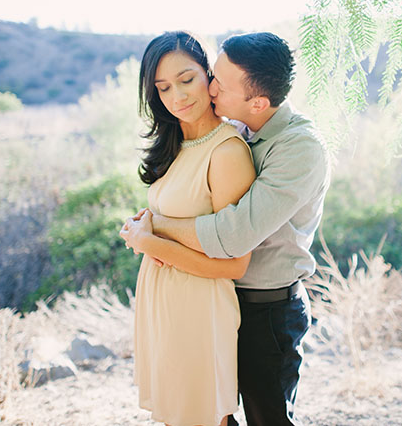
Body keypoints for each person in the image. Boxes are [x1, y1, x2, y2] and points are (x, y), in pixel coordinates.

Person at [121, 32, 331, 426]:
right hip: (222, 299)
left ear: (258, 102)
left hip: (268, 307)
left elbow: (233, 236)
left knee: (268, 419)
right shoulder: (244, 130)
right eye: (212, 74)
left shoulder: (297, 148)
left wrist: (155, 231)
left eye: (214, 81)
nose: (208, 88)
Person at [122, 31, 256, 426]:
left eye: (187, 80)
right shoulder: (177, 144)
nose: (177, 97)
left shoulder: (227, 152)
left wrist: (150, 241)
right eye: (163, 88)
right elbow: (180, 218)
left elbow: (234, 265)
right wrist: (144, 227)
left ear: (208, 75)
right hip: (165, 307)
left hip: (200, 310)